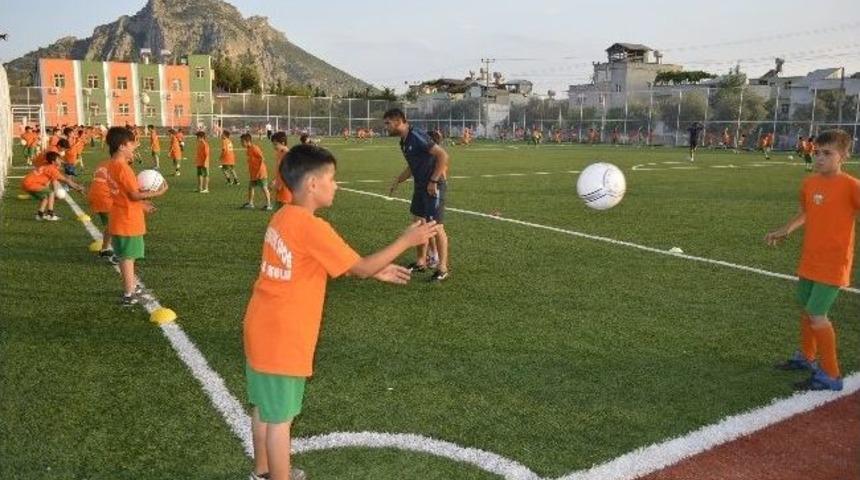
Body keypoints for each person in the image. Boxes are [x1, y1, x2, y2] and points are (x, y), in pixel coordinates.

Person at [242, 144, 440, 480]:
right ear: (312, 185)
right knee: (281, 421)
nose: (337, 185)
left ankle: (261, 469)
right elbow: (359, 267)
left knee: (264, 407)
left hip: (261, 327)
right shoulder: (311, 226)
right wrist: (406, 241)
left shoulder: (283, 216)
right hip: (284, 337)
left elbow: (340, 263)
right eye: (332, 179)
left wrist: (376, 270)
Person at [765, 129, 859, 391]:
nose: (819, 157)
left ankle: (831, 374)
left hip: (834, 263)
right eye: (816, 152)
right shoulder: (810, 184)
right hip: (810, 259)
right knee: (807, 309)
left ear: (844, 156)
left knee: (818, 315)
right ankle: (806, 357)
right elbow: (805, 213)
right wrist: (784, 230)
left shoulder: (851, 186)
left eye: (827, 153)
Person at [104, 127, 169, 306]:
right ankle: (129, 294)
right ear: (122, 146)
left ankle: (131, 287)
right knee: (127, 258)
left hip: (120, 216)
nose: (134, 147)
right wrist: (158, 193)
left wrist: (142, 205)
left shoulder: (111, 165)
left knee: (127, 256)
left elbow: (124, 194)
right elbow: (133, 195)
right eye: (131, 144)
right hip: (127, 220)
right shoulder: (123, 169)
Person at [384, 108, 451, 281]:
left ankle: (442, 268)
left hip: (433, 187)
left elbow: (443, 155)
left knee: (436, 227)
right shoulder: (403, 141)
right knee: (420, 222)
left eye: (388, 123)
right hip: (420, 187)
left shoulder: (417, 136)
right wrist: (397, 180)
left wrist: (434, 181)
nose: (386, 127)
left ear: (398, 121)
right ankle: (421, 261)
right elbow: (411, 167)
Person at [21, 151, 84, 221]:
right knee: (51, 193)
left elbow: (50, 181)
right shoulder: (52, 170)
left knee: (46, 197)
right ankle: (50, 214)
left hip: (26, 183)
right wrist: (78, 187)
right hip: (31, 183)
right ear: (53, 162)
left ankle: (39, 215)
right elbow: (66, 180)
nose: (61, 160)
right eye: (59, 159)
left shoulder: (47, 165)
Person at [88, 157, 116, 261]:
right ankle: (119, 255)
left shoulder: (103, 163)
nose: (133, 155)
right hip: (105, 198)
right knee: (121, 223)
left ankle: (104, 249)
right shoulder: (120, 166)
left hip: (94, 197)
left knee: (110, 225)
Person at [241, 133, 273, 210]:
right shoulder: (248, 149)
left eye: (242, 142)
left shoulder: (255, 148)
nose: (241, 144)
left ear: (247, 141)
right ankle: (251, 203)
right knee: (251, 187)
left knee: (264, 188)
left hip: (260, 173)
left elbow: (262, 158)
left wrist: (259, 171)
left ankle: (269, 204)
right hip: (253, 173)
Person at [270, 131, 292, 208]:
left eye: (276, 144)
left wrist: (280, 184)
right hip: (280, 189)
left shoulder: (288, 155)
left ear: (283, 143)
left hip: (286, 189)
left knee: (284, 215)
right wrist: (275, 181)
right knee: (278, 214)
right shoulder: (279, 153)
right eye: (273, 144)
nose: (274, 146)